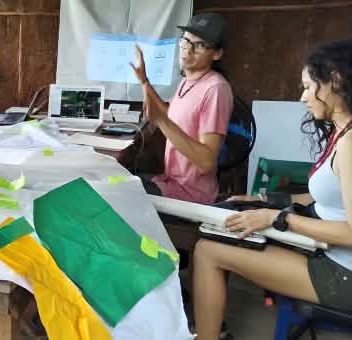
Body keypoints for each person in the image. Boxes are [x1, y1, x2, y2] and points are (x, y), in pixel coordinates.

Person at [193, 39, 352, 340]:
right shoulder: (341, 133)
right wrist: (263, 200)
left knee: (207, 251)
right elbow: (326, 198)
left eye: (308, 87)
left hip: (342, 274)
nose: (303, 96)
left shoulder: (351, 144)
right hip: (327, 254)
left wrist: (277, 218)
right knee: (223, 230)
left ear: (335, 81)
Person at [131, 13, 234, 204]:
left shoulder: (216, 89)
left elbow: (206, 162)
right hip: (169, 182)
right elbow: (172, 117)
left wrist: (161, 121)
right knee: (117, 182)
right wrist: (144, 81)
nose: (188, 50)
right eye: (186, 41)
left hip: (191, 195)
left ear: (217, 54)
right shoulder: (187, 80)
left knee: (121, 197)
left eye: (200, 45)